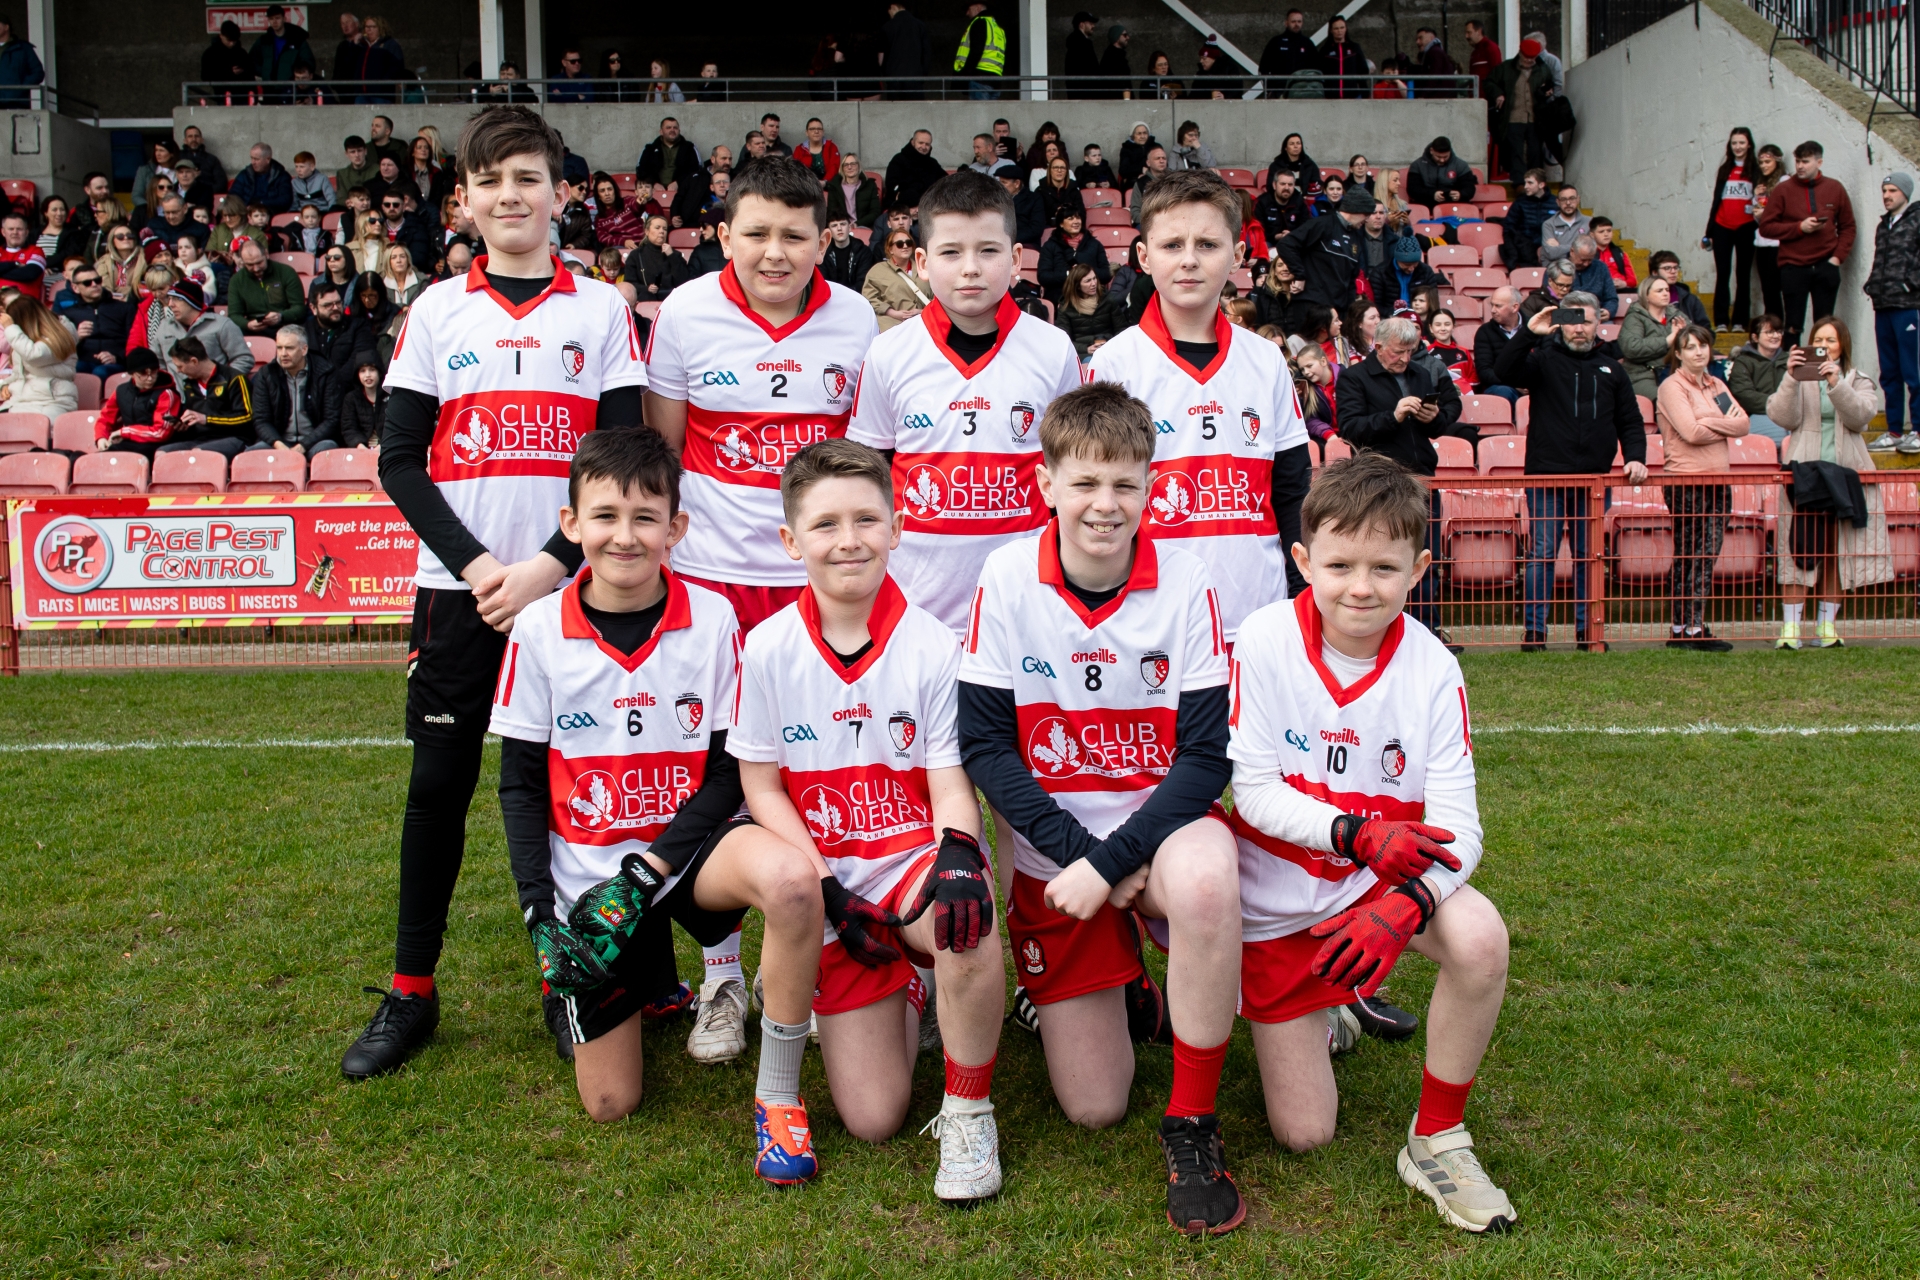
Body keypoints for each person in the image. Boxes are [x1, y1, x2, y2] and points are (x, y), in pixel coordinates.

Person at [335, 106, 650, 1081]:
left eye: (527, 177)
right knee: (439, 786)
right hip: (459, 592)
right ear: (462, 201)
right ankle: (411, 990)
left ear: (559, 193)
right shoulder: (437, 310)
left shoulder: (600, 310)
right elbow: (399, 460)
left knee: (571, 792)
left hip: (572, 591)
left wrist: (549, 564)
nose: (510, 195)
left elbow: (623, 456)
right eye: (490, 180)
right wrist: (480, 568)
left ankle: (574, 980)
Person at [484, 428, 826, 1175]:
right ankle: (643, 981)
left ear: (677, 527)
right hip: (592, 880)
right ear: (571, 524)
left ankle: (778, 1099)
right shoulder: (538, 628)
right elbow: (519, 785)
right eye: (605, 516)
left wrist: (649, 870)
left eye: (646, 517)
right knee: (612, 1103)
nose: (625, 536)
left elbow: (730, 771)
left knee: (794, 881)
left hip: (689, 855)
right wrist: (540, 914)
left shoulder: (714, 618)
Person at [955, 379, 1245, 1235]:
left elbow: (1206, 759)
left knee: (1207, 884)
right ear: (1046, 483)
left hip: (1163, 837)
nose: (1105, 504)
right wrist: (1083, 854)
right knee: (1093, 1106)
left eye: (1125, 483)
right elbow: (987, 747)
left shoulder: (1186, 578)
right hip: (1061, 860)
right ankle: (1131, 986)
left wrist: (1115, 861)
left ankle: (1192, 1124)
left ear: (1152, 485)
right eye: (1084, 482)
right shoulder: (1007, 575)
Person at [1229, 450, 1515, 1234]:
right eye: (1341, 565)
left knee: (1480, 938)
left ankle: (1437, 1138)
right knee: (1305, 1133)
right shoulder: (1262, 639)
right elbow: (1253, 791)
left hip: (1376, 888)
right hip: (1278, 903)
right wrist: (1354, 833)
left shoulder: (1433, 667)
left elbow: (1459, 827)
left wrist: (1409, 903)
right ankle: (1332, 1009)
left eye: (1385, 568)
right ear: (1303, 561)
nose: (1361, 587)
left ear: (1418, 569)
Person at [733, 433, 1008, 1202]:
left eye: (865, 519)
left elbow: (948, 781)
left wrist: (961, 853)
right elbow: (762, 787)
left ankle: (969, 1111)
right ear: (791, 540)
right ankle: (910, 985)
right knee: (873, 1116)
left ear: (896, 527)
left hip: (907, 862)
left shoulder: (934, 646)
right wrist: (825, 886)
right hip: (832, 881)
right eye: (825, 524)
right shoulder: (768, 647)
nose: (848, 540)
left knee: (964, 918)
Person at [642, 156, 876, 636]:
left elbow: (864, 454)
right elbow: (664, 449)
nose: (775, 253)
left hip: (822, 569)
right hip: (710, 567)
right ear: (726, 238)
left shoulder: (856, 317)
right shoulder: (684, 311)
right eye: (756, 234)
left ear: (822, 244)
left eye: (793, 237)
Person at [848, 169, 1080, 636]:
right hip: (915, 605)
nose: (970, 267)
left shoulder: (1053, 349)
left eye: (988, 250)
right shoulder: (889, 352)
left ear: (1016, 259)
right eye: (951, 252)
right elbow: (867, 474)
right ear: (922, 261)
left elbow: (1073, 470)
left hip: (1026, 604)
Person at [1091, 168, 1311, 617]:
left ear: (1238, 254)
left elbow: (1291, 490)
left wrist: (1299, 593)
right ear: (1144, 256)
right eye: (1172, 245)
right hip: (1149, 614)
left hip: (1257, 611)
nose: (1189, 260)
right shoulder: (1115, 363)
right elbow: (1098, 500)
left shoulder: (1266, 360)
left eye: (1207, 244)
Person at [1494, 293, 1648, 651]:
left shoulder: (1613, 369)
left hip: (1593, 481)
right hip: (1546, 476)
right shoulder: (1542, 360)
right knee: (1543, 553)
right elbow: (1503, 370)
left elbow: (1630, 421)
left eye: (1586, 321)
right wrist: (1530, 333)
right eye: (1572, 321)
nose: (1579, 328)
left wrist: (1636, 457)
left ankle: (1588, 633)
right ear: (1561, 324)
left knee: (1588, 556)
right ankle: (1535, 634)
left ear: (1599, 324)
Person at [1332, 313, 1463, 638]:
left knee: (1425, 559)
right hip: (1377, 484)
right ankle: (1384, 632)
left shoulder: (1421, 373)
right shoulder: (1354, 378)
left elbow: (1443, 420)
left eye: (1409, 351)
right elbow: (1350, 429)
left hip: (1422, 479)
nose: (1404, 358)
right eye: (1397, 351)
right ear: (1378, 346)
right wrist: (1393, 416)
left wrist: (1434, 417)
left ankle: (1427, 633)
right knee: (1384, 560)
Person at [1768, 317, 1892, 649]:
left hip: (1845, 476)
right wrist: (1791, 378)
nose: (1824, 346)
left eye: (1831, 341)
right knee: (1798, 550)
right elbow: (1782, 417)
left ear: (1843, 346)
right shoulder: (1798, 378)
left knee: (1838, 552)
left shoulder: (1859, 380)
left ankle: (1826, 627)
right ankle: (1791, 630)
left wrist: (1836, 383)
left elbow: (1860, 418)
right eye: (1818, 340)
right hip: (1803, 475)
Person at [1656, 325, 1749, 651]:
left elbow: (1744, 424)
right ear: (1679, 353)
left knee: (1708, 554)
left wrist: (1707, 422)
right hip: (1686, 480)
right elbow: (1690, 433)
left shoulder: (1717, 384)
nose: (1699, 352)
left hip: (1718, 480)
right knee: (1689, 553)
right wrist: (1722, 425)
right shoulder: (1672, 386)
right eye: (1691, 346)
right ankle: (1682, 627)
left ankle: (1694, 626)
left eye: (1703, 346)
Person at [1758, 140, 1856, 344]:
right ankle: (1792, 363)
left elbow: (1848, 226)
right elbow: (1766, 227)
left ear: (1819, 162)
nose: (1800, 166)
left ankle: (1821, 364)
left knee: (1824, 326)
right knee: (1793, 326)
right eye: (1798, 161)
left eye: (1806, 161)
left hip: (1826, 265)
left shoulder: (1835, 188)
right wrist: (1799, 228)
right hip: (1793, 266)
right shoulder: (1783, 190)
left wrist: (1837, 258)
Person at [1865, 173, 1920, 453]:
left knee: (1914, 371)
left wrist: (1909, 285)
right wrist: (1872, 285)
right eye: (1884, 190)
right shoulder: (1883, 225)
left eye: (1893, 190)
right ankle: (1895, 431)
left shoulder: (1917, 220)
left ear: (1905, 193)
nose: (1886, 195)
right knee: (1889, 372)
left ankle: (1918, 430)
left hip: (1908, 307)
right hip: (1883, 305)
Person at [1277, 187, 1372, 318]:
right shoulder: (1322, 224)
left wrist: (1349, 313)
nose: (1367, 220)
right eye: (1366, 214)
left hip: (1339, 310)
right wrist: (1300, 275)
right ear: (1355, 209)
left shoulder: (1356, 238)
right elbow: (1286, 245)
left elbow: (1351, 279)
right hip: (1313, 305)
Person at [249, 324, 341, 456]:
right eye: (279, 348)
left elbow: (331, 419)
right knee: (252, 454)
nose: (283, 354)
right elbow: (261, 419)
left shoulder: (325, 372)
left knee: (328, 449)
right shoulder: (266, 374)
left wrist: (303, 446)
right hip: (279, 442)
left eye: (289, 348)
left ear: (304, 349)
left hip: (314, 443)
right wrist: (279, 445)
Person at [1701, 128, 1760, 332]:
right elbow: (1716, 201)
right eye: (1734, 143)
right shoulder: (1725, 169)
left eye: (1742, 143)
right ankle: (1721, 321)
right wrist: (1708, 232)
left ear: (1749, 145)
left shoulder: (1755, 170)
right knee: (1723, 272)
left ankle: (1740, 321)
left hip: (1747, 227)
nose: (1738, 147)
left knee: (1743, 275)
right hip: (1722, 227)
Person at [143, 278, 254, 380]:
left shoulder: (221, 324)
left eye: (177, 299)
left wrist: (223, 382)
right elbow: (156, 362)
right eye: (170, 298)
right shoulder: (164, 327)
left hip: (214, 392)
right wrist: (167, 386)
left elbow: (243, 358)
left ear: (192, 301)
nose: (170, 304)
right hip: (177, 394)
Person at [163, 335, 254, 457]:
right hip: (200, 440)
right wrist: (184, 426)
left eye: (180, 366)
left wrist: (207, 419)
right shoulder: (189, 385)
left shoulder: (234, 379)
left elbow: (247, 417)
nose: (178, 371)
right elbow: (194, 421)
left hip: (234, 437)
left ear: (194, 361)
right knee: (162, 454)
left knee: (199, 455)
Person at [92, 347, 181, 456]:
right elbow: (105, 419)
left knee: (114, 452)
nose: (149, 378)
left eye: (153, 372)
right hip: (130, 442)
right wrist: (101, 437)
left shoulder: (166, 393)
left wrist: (125, 432)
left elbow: (161, 432)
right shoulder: (121, 391)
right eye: (143, 374)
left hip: (156, 445)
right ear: (132, 373)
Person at [2, 292, 77, 417]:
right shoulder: (24, 340)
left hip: (50, 403)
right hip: (21, 402)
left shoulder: (59, 335)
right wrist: (5, 385)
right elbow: (20, 374)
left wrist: (10, 328)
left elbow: (34, 356)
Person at [1487, 39, 1552, 180]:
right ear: (1520, 53)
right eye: (1526, 57)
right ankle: (1518, 183)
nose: (1528, 60)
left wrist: (1546, 91)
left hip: (1535, 118)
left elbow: (1549, 84)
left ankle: (1536, 182)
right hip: (1513, 117)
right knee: (1515, 151)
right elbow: (1489, 82)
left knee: (1535, 151)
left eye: (1532, 58)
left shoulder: (1543, 69)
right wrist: (1498, 94)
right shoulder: (1505, 68)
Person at [56, 265, 135, 377]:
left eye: (97, 280)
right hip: (82, 361)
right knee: (72, 369)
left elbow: (134, 340)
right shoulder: (68, 314)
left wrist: (117, 357)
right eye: (87, 283)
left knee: (100, 371)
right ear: (75, 288)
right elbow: (60, 348)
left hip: (117, 362)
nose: (94, 285)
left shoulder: (125, 308)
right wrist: (76, 336)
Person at [1619, 277, 1687, 399]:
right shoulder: (1635, 317)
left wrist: (1684, 337)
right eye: (1659, 291)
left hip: (1674, 372)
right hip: (1643, 375)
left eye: (1667, 290)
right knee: (1667, 398)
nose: (1665, 293)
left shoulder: (1677, 315)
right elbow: (1631, 348)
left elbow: (1694, 341)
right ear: (1646, 295)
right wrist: (1668, 341)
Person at [1728, 313, 1790, 443]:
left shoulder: (1790, 360)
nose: (1776, 336)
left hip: (1790, 416)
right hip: (1757, 415)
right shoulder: (1743, 361)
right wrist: (1778, 403)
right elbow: (1743, 394)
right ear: (1755, 337)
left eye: (1779, 331)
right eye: (1769, 332)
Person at [228, 241, 309, 336]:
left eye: (259, 262)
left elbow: (299, 308)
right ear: (242, 261)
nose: (256, 268)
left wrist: (281, 316)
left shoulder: (286, 272)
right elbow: (234, 315)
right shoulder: (236, 281)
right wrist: (247, 324)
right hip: (253, 330)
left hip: (287, 327)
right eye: (250, 265)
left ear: (266, 254)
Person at [864, 228, 932, 330]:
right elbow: (869, 298)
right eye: (899, 244)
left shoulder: (925, 268)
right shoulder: (877, 271)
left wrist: (922, 311)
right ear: (890, 249)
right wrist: (891, 312)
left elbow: (940, 297)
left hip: (925, 323)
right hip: (892, 325)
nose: (905, 246)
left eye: (908, 243)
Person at [1056, 261, 1125, 356]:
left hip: (1109, 349)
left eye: (1094, 278)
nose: (1093, 283)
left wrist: (1111, 345)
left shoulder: (1108, 300)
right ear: (1077, 286)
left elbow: (1121, 329)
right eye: (1088, 281)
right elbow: (1063, 340)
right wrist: (1085, 349)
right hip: (1082, 353)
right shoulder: (1067, 307)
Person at [1038, 209, 1107, 303]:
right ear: (1061, 224)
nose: (1076, 221)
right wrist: (1069, 274)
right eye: (1070, 218)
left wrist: (1085, 273)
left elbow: (1106, 274)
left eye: (1078, 218)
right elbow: (1043, 277)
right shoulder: (1050, 246)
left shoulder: (1095, 244)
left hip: (1091, 296)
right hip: (1060, 296)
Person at [1751, 145, 1788, 319]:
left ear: (1777, 161)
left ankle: (1779, 325)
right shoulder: (1762, 184)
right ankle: (1772, 324)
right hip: (1762, 241)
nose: (1764, 166)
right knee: (1767, 289)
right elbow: (1758, 218)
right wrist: (1755, 198)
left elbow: (1787, 212)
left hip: (1777, 243)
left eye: (1768, 162)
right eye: (1761, 163)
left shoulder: (1785, 182)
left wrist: (1764, 213)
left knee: (1775, 287)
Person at [623, 215, 691, 302]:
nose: (662, 231)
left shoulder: (675, 255)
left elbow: (684, 282)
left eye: (665, 229)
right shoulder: (636, 255)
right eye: (657, 228)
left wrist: (672, 256)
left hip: (672, 300)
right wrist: (646, 288)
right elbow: (629, 284)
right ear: (647, 231)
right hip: (646, 301)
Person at [1369, 236, 1446, 314]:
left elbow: (1433, 302)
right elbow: (1376, 306)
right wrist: (1397, 314)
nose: (1411, 268)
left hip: (1419, 316)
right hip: (1391, 317)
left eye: (1415, 264)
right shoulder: (1380, 273)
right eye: (1407, 264)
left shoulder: (1426, 271)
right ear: (1398, 259)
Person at [1474, 287, 1525, 401]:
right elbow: (1484, 371)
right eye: (1492, 305)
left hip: (1532, 385)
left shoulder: (1533, 328)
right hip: (1500, 386)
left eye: (1498, 306)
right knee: (1504, 392)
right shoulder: (1484, 332)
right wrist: (1515, 383)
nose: (1493, 310)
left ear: (1515, 307)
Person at [1500, 170, 1554, 269]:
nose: (1525, 187)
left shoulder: (1555, 202)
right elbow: (1508, 227)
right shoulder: (1520, 202)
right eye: (1525, 183)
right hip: (1525, 250)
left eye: (1530, 183)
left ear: (1541, 185)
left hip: (1550, 249)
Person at [637, 118, 701, 202]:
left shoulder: (689, 147)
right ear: (661, 131)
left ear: (679, 131)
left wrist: (678, 183)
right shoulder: (650, 148)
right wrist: (654, 183)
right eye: (668, 128)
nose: (672, 130)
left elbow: (696, 170)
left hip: (683, 191)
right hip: (654, 191)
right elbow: (641, 170)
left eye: (675, 128)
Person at [250, 5, 316, 87]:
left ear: (284, 19)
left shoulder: (297, 40)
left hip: (290, 87)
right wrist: (264, 72)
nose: (274, 22)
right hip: (268, 87)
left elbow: (308, 63)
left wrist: (296, 75)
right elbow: (251, 60)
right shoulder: (264, 40)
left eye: (277, 18)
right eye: (271, 19)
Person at [879, 2, 935, 98]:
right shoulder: (920, 25)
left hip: (894, 79)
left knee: (895, 106)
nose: (890, 15)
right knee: (915, 106)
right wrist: (922, 74)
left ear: (893, 7)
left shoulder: (887, 27)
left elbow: (882, 55)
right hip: (915, 78)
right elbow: (926, 54)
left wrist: (886, 74)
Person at [954, 1, 1008, 99]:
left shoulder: (980, 22)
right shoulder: (998, 28)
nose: (967, 13)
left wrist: (964, 78)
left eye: (969, 9)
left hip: (979, 81)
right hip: (996, 82)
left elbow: (976, 52)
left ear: (978, 8)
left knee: (978, 109)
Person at [884, 131, 946, 213]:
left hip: (929, 207)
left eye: (927, 144)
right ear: (913, 142)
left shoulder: (933, 163)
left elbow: (945, 180)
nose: (924, 147)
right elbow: (891, 185)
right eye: (921, 143)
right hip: (902, 207)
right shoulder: (899, 160)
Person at [1405, 137, 1477, 208]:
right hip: (1425, 205)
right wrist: (1432, 194)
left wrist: (1460, 194)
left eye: (1445, 157)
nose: (1442, 160)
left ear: (1449, 152)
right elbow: (1412, 190)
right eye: (1438, 157)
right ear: (1431, 151)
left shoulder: (1461, 165)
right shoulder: (1417, 165)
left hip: (1454, 205)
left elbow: (1470, 188)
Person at [1646, 250, 1711, 328]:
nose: (1673, 271)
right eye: (1667, 268)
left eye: (1676, 267)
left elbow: (1706, 329)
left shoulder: (1690, 299)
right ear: (1655, 273)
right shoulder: (1643, 299)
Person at [231, 144, 295, 215]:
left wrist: (261, 203)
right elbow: (233, 196)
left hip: (271, 214)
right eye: (252, 158)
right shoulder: (245, 174)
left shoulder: (281, 176)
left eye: (256, 159)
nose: (253, 162)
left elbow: (285, 200)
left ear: (268, 159)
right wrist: (244, 209)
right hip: (245, 214)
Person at [1566, 235, 1619, 319]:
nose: (1586, 264)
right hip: (1568, 316)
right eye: (1583, 260)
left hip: (1597, 316)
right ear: (1572, 252)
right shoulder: (1557, 268)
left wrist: (1608, 311)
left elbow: (1611, 298)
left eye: (1590, 260)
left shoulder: (1601, 268)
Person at [1260, 9, 1318, 84]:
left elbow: (1316, 67)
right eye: (1293, 21)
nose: (1296, 24)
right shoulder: (1276, 42)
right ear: (1286, 23)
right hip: (1280, 88)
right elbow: (1264, 67)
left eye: (1299, 21)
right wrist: (1270, 87)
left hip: (1302, 88)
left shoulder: (1308, 43)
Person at [340, 358, 386, 448]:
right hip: (361, 448)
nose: (367, 375)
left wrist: (382, 447)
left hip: (387, 448)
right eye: (362, 371)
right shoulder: (351, 398)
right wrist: (359, 445)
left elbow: (396, 428)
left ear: (379, 372)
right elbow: (349, 428)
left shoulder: (391, 396)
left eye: (372, 370)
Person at [829, 153, 883, 230]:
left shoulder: (870, 185)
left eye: (853, 164)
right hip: (842, 228)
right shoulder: (835, 187)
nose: (849, 167)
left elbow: (875, 212)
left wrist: (857, 224)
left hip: (865, 226)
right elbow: (832, 213)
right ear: (842, 168)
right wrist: (844, 225)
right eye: (846, 165)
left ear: (858, 166)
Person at [819, 214, 874, 289]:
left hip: (856, 294)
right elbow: (823, 281)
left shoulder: (863, 251)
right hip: (831, 294)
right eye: (834, 226)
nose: (839, 228)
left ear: (849, 227)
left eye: (843, 224)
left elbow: (863, 282)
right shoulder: (823, 253)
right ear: (829, 231)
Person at [1319, 16, 1367, 98]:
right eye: (1336, 28)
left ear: (1346, 29)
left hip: (1352, 96)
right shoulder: (1325, 50)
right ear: (1331, 30)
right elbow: (1319, 71)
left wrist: (1365, 93)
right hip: (1330, 97)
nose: (1339, 31)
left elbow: (1363, 70)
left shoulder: (1354, 47)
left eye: (1342, 27)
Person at [1540, 184, 1588, 264]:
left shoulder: (1589, 222)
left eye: (1572, 198)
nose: (1568, 203)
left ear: (1578, 199)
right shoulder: (1548, 224)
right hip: (1557, 269)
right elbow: (1551, 253)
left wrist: (1560, 247)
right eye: (1563, 199)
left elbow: (1592, 251)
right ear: (1558, 202)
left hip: (1582, 268)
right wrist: (1581, 247)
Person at [1268, 133, 1323, 202]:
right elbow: (1271, 187)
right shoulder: (1276, 166)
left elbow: (1316, 184)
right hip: (1282, 201)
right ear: (1285, 148)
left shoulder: (1309, 165)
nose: (1295, 146)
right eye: (1292, 144)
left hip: (1305, 201)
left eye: (1298, 143)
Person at [0, 211, 44, 294]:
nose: (15, 232)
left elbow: (30, 274)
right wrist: (15, 264)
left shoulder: (36, 250)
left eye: (19, 229)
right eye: (11, 229)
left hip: (24, 300)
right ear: (3, 232)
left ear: (26, 232)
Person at [1589, 217, 1637, 291]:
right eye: (1601, 232)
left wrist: (1624, 283)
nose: (1606, 234)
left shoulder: (1620, 253)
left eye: (1609, 231)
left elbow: (1633, 281)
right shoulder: (1587, 254)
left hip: (1620, 290)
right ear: (1592, 235)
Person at [202, 20, 254, 87]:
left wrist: (243, 70)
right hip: (221, 91)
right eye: (229, 40)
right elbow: (205, 76)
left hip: (242, 91)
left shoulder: (241, 53)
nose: (232, 44)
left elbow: (250, 74)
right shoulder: (210, 54)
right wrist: (229, 72)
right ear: (221, 36)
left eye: (234, 40)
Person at [1037, 157, 1085, 229]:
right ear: (1050, 170)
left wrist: (1066, 213)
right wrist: (1056, 212)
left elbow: (1081, 214)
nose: (1059, 170)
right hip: (1048, 228)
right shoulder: (1040, 191)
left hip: (1070, 228)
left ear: (1066, 171)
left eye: (1062, 168)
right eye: (1056, 167)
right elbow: (1038, 215)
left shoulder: (1074, 190)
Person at [1064, 10, 1101, 88]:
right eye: (1090, 23)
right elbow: (1089, 67)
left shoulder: (1076, 42)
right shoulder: (1081, 44)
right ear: (1082, 25)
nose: (1093, 26)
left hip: (1081, 89)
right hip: (1085, 90)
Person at [1099, 25, 1133, 98]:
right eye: (1125, 35)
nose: (1128, 37)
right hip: (1117, 100)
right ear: (1117, 38)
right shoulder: (1111, 57)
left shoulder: (1117, 55)